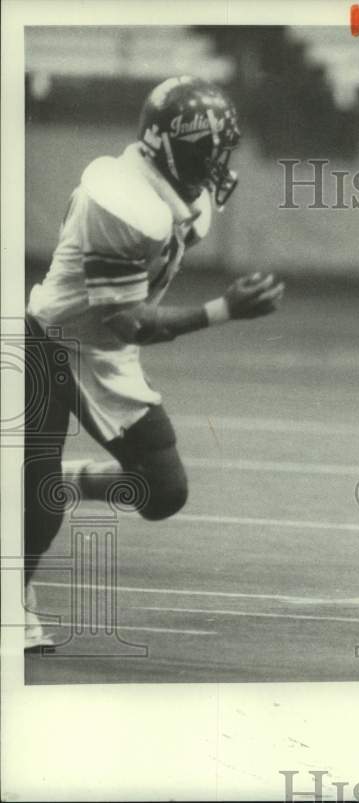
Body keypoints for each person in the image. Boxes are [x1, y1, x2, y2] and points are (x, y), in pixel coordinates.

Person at [23, 76, 284, 649]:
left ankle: (62, 483)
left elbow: (128, 316)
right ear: (174, 148)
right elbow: (131, 320)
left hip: (107, 350)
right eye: (211, 151)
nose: (221, 163)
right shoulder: (122, 200)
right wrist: (222, 310)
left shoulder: (173, 190)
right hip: (50, 343)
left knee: (162, 491)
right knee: (36, 509)